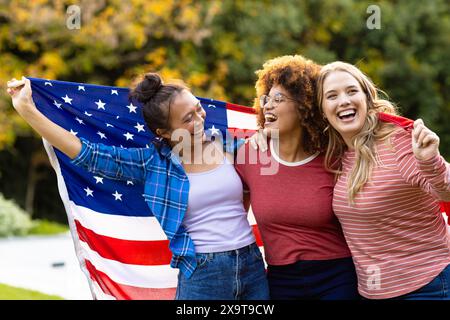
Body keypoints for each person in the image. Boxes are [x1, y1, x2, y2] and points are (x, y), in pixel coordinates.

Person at [6, 74, 269, 300]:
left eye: (198, 109)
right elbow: (89, 155)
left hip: (252, 264)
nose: (199, 119)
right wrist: (27, 109)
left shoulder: (229, 145)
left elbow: (276, 148)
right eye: (188, 118)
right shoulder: (152, 163)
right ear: (164, 132)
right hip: (203, 272)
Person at [317, 61, 450, 300]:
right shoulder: (335, 156)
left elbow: (446, 193)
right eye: (332, 96)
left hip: (427, 286)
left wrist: (430, 160)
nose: (344, 101)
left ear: (367, 98)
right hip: (372, 292)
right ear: (322, 110)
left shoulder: (399, 142)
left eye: (351, 91)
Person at [235, 55, 360, 300]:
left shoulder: (335, 154)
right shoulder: (250, 154)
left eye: (278, 99)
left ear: (304, 105)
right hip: (281, 281)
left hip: (338, 276)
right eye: (266, 99)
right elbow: (231, 216)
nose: (267, 105)